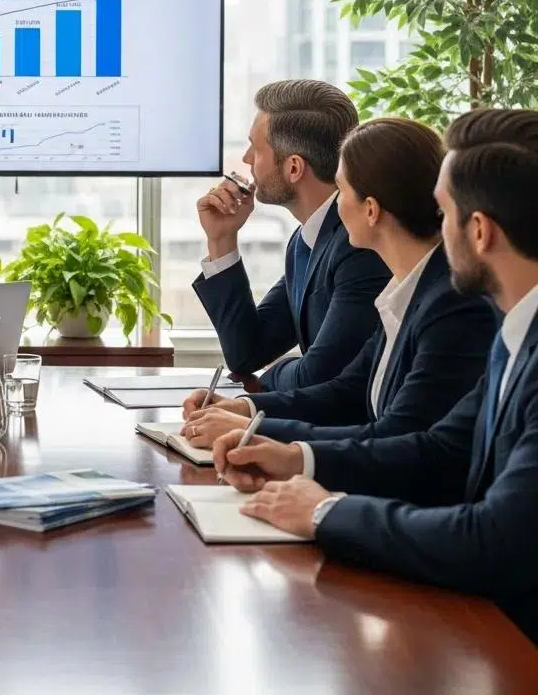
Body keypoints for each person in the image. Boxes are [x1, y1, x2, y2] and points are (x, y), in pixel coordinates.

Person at [212, 109, 538, 645]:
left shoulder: (473, 316)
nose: (435, 225)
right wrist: (294, 457)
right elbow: (441, 448)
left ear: (478, 231)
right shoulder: (513, 330)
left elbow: (494, 539)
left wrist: (324, 511)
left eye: (443, 211)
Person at [179, 118, 494, 448]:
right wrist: (245, 407)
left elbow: (399, 436)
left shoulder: (449, 303)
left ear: (370, 210)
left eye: (341, 190)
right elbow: (349, 389)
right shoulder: (401, 291)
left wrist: (258, 432)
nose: (335, 203)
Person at [191, 80, 390, 391]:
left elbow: (319, 375)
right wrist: (221, 240)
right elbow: (247, 353)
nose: (245, 159)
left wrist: (266, 380)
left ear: (294, 167)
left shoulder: (359, 247)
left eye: (255, 148)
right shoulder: (306, 239)